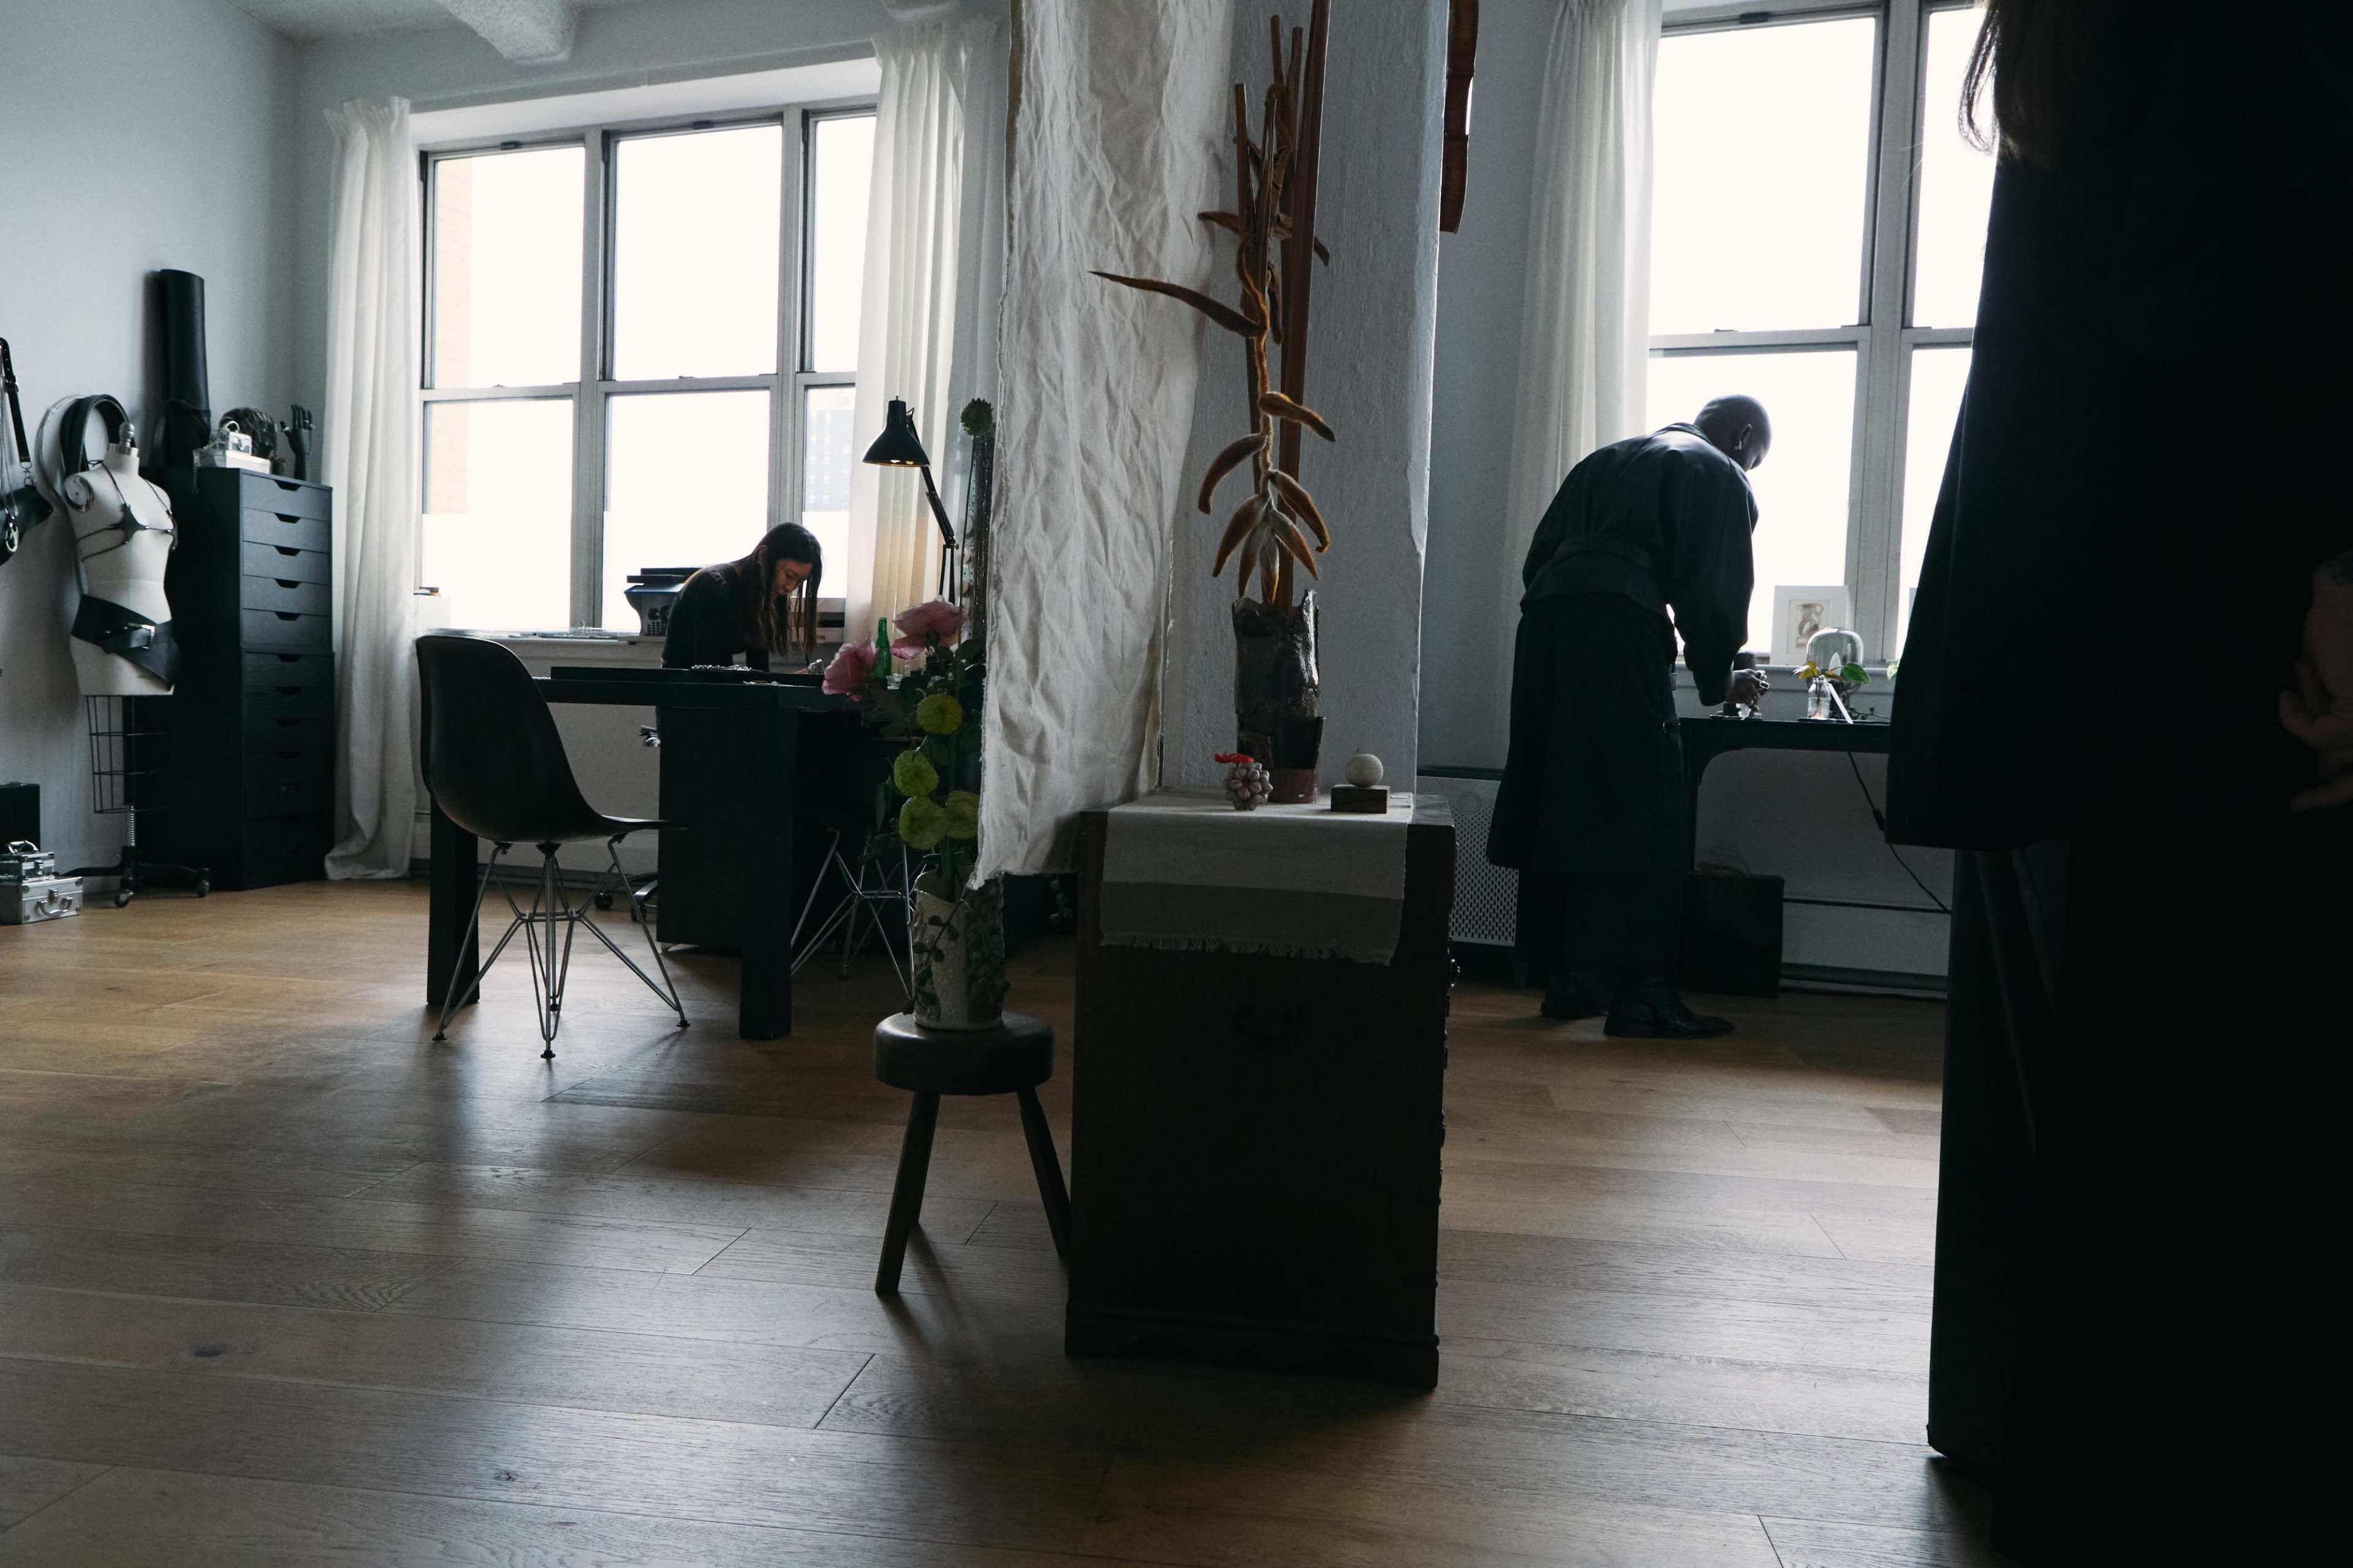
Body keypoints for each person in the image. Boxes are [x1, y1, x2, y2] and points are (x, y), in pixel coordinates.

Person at [1885, 2, 2349, 1560]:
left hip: (2071, 658)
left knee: (2117, 1278)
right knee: (2218, 1303)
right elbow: (2243, 275)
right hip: (2222, 660)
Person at [1487, 397, 1771, 1037]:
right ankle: (1644, 995)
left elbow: (1538, 563)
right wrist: (1717, 680)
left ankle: (1571, 979)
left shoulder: (1602, 460)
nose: (1749, 469)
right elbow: (1715, 589)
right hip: (1619, 624)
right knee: (1651, 807)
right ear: (1743, 437)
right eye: (1755, 459)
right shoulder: (1717, 471)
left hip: (1546, 629)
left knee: (1568, 798)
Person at [662, 523, 824, 670]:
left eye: (799, 581)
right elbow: (713, 674)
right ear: (763, 556)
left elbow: (759, 673)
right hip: (682, 693)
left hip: (709, 690)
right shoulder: (712, 586)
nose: (790, 587)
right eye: (789, 575)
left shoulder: (763, 595)